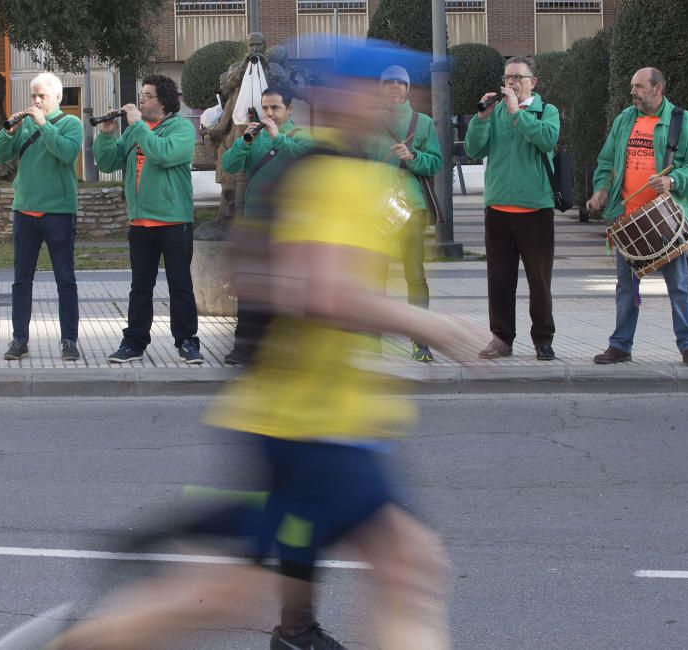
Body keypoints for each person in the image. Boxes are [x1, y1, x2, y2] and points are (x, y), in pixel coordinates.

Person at [42, 39, 485, 650]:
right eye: (372, 88)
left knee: (393, 564)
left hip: (317, 414)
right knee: (361, 571)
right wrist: (432, 326)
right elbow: (327, 294)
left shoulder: (334, 171)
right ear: (341, 97)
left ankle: (98, 637)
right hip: (311, 422)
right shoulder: (336, 178)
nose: (388, 98)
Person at [587, 67, 688, 367]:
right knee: (626, 288)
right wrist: (601, 190)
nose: (634, 92)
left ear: (658, 89)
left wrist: (672, 180)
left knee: (678, 286)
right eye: (633, 87)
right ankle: (620, 346)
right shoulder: (624, 120)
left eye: (639, 87)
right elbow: (606, 162)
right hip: (629, 220)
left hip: (666, 218)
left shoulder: (681, 120)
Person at [94, 75, 204, 364]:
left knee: (180, 285)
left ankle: (187, 341)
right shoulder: (133, 131)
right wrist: (106, 134)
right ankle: (134, 342)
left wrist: (138, 126)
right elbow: (107, 163)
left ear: (164, 100)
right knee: (140, 287)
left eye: (147, 95)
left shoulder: (180, 129)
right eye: (141, 94)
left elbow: (164, 154)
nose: (141, 99)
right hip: (140, 223)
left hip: (173, 220)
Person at [464, 55, 559, 362]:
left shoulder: (547, 111)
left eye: (518, 77)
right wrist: (480, 119)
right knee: (500, 279)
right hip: (498, 210)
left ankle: (543, 339)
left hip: (535, 209)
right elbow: (473, 149)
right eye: (507, 78)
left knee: (539, 280)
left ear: (533, 81)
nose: (512, 83)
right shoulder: (495, 113)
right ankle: (501, 338)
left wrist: (518, 113)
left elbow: (546, 140)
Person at [0, 72, 83, 363]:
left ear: (57, 97)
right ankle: (20, 339)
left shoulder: (71, 123)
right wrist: (7, 132)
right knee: (21, 280)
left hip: (58, 211)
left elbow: (67, 153)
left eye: (41, 96)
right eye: (33, 96)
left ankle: (69, 340)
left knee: (65, 279)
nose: (36, 101)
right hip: (25, 211)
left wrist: (44, 125)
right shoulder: (25, 123)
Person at [220, 86, 314, 365]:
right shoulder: (255, 138)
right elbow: (229, 164)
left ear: (289, 110)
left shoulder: (303, 136)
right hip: (256, 224)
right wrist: (244, 142)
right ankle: (244, 348)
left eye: (275, 108)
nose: (269, 113)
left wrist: (278, 137)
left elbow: (303, 160)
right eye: (265, 108)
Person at [367, 65, 443, 362]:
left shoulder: (422, 123)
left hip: (410, 207)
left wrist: (413, 157)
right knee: (375, 275)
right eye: (389, 83)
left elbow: (435, 163)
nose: (395, 87)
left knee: (415, 274)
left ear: (408, 89)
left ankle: (420, 341)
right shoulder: (368, 122)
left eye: (401, 83)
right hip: (375, 207)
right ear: (381, 88)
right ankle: (373, 339)